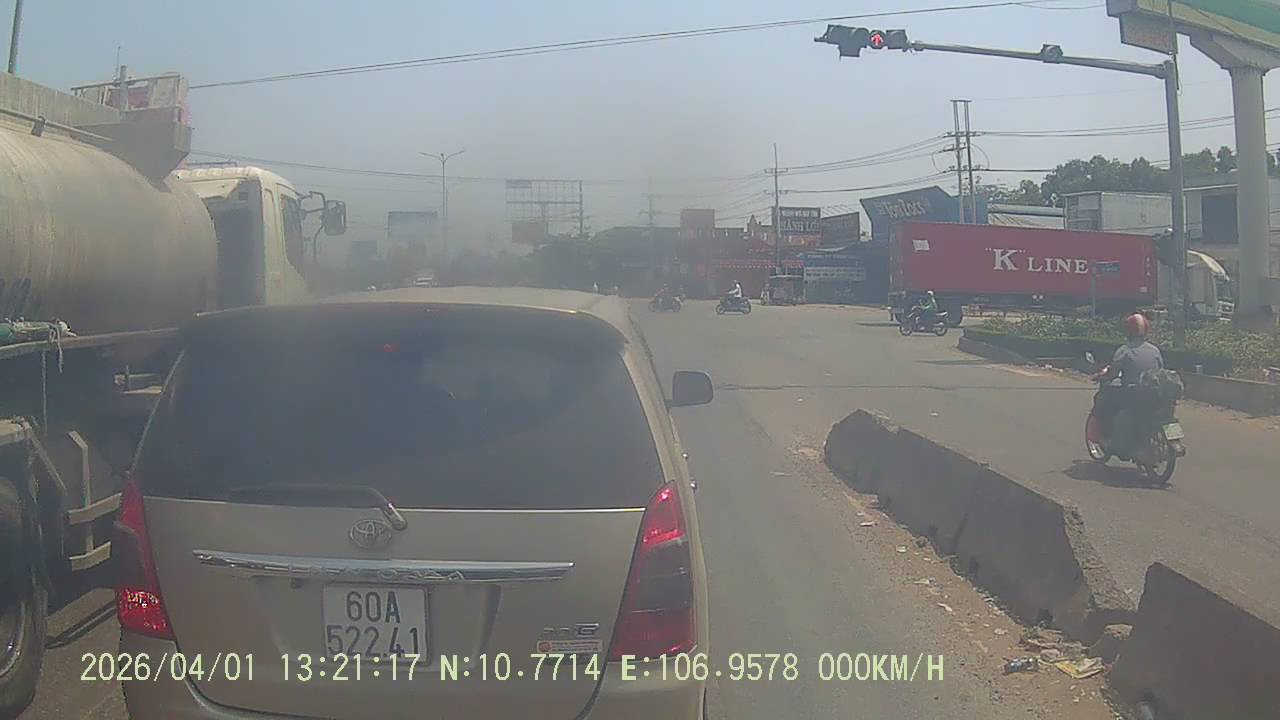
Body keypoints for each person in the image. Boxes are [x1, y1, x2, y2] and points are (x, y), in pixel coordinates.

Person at [1093, 313, 1164, 452]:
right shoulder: (1155, 350)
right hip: (1155, 394)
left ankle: (1109, 440)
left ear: (1129, 331)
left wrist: (1102, 377)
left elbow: (1113, 374)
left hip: (1133, 395)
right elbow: (1161, 369)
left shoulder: (1124, 350)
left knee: (1104, 403)